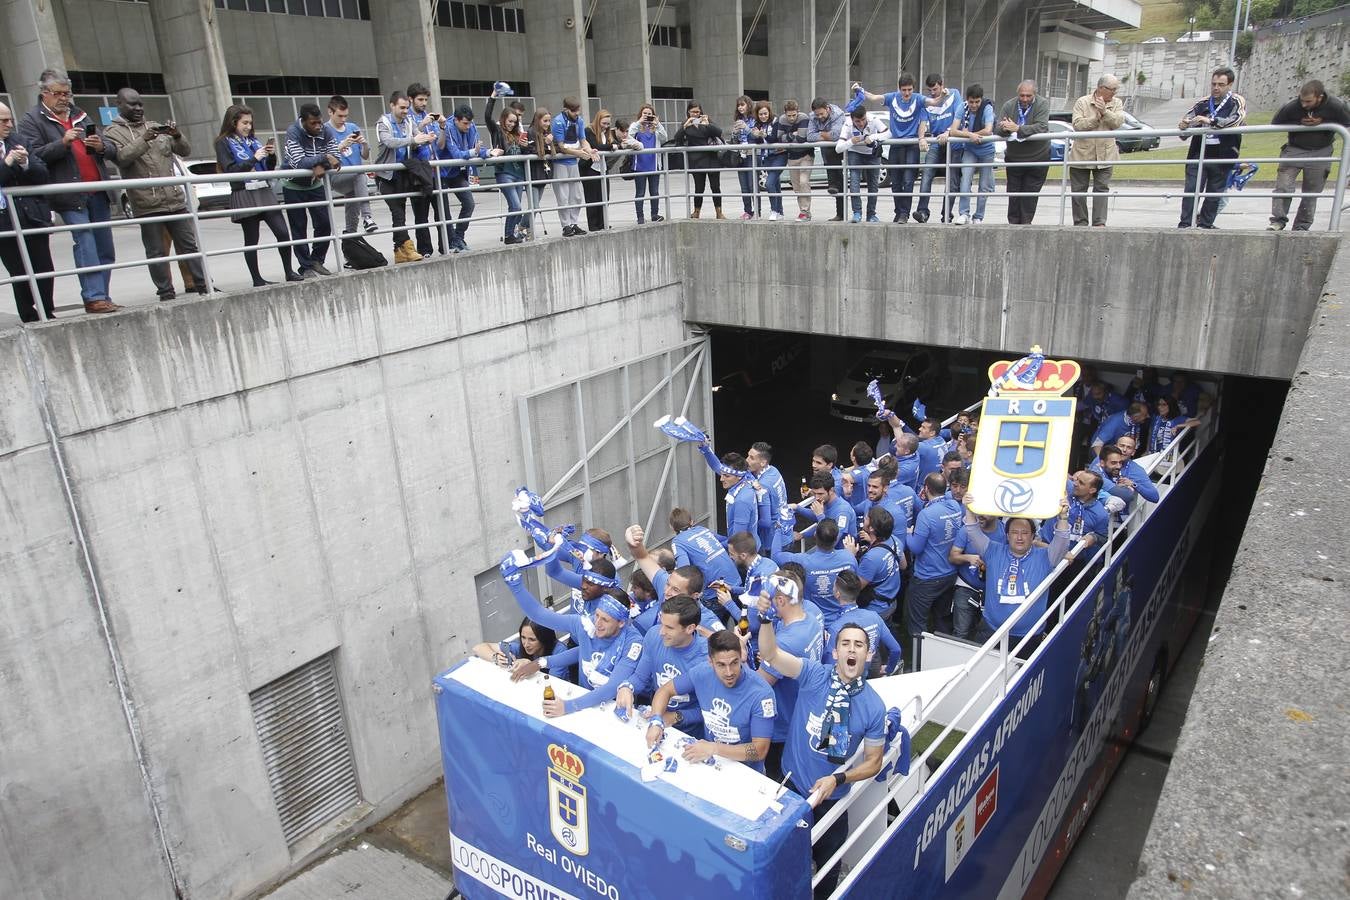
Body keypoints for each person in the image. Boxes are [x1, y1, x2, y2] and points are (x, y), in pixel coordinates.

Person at [755, 606, 886, 899]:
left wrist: (837, 779)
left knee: (828, 866)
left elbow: (874, 762)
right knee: (783, 859)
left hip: (831, 799)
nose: (852, 649)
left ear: (868, 655)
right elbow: (772, 655)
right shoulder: (813, 673)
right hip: (791, 788)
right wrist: (765, 619)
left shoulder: (874, 706)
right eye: (846, 643)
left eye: (859, 645)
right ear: (836, 652)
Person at [18, 69, 118, 313]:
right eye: (58, 94)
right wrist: (63, 142)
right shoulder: (32, 120)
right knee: (85, 242)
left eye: (67, 93)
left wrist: (101, 145)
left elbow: (112, 149)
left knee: (105, 247)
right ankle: (93, 297)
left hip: (97, 189)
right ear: (44, 94)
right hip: (69, 194)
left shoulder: (80, 114)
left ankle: (102, 295)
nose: (64, 98)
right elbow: (35, 156)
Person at [499, 551, 644, 713]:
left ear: (621, 623)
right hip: (584, 701)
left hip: (614, 708)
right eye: (597, 615)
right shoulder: (586, 623)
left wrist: (568, 706)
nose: (598, 624)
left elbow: (611, 688)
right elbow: (540, 615)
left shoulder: (634, 642)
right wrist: (515, 584)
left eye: (605, 620)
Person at [102, 89, 208, 301]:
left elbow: (185, 151)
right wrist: (144, 139)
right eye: (133, 105)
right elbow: (122, 158)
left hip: (174, 199)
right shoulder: (111, 132)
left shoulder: (154, 125)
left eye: (140, 104)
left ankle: (203, 285)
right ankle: (165, 292)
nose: (139, 109)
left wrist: (177, 135)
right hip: (146, 203)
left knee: (189, 245)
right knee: (156, 251)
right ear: (119, 105)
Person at [645, 629, 776, 772]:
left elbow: (759, 750)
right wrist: (656, 721)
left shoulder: (761, 694)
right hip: (709, 761)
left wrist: (714, 748)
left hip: (744, 771)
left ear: (741, 657)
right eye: (721, 665)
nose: (729, 672)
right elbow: (665, 690)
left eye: (734, 663)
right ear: (710, 662)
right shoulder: (702, 672)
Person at [955, 499, 1072, 648]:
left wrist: (1063, 517)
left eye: (1024, 533)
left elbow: (1062, 540)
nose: (1019, 537)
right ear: (1007, 535)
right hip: (991, 630)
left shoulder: (1046, 557)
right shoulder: (992, 551)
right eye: (1014, 532)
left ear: (1032, 536)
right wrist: (970, 509)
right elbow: (972, 530)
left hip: (1028, 636)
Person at [214, 105, 300, 286]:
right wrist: (254, 158)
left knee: (283, 233)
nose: (248, 127)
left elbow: (268, 168)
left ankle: (289, 271)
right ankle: (257, 279)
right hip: (244, 192)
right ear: (233, 122)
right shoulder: (223, 142)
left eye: (250, 123)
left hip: (263, 189)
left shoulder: (252, 141)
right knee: (252, 239)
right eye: (244, 123)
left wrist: (270, 155)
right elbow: (231, 170)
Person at [616, 595, 710, 734]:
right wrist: (627, 687)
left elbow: (710, 712)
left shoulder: (706, 658)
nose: (661, 632)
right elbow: (640, 677)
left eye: (669, 628)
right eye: (661, 624)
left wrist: (675, 717)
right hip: (654, 719)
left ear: (690, 628)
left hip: (690, 733)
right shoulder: (654, 635)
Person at [0, 104, 57, 322]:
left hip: (32, 216)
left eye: (9, 119)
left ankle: (46, 311)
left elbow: (42, 173)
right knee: (19, 272)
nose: (9, 124)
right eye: (3, 121)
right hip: (4, 222)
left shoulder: (20, 140)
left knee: (44, 267)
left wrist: (25, 163)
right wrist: (7, 163)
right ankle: (28, 315)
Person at [1269, 80, 1350, 231]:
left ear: (1319, 97)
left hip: (1321, 150)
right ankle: (1278, 221)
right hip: (1295, 148)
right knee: (1283, 186)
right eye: (1302, 100)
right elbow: (1276, 121)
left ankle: (1302, 226)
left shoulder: (1336, 105)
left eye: (1308, 101)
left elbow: (1347, 122)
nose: (1304, 105)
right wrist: (1298, 121)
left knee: (1311, 192)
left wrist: (1325, 121)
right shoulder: (1293, 106)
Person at [1177, 67, 1246, 230]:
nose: (1216, 88)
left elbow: (1236, 120)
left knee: (1214, 194)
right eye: (1214, 84)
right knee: (1191, 190)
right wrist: (1184, 125)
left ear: (1230, 85)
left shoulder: (1236, 101)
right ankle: (1185, 224)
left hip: (1223, 155)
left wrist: (1211, 122)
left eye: (1221, 84)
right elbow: (1187, 121)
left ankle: (1205, 225)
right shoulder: (1202, 103)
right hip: (1198, 154)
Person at [281, 103, 344, 278]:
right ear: (303, 121)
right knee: (299, 227)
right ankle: (305, 266)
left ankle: (316, 260)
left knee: (325, 223)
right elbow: (299, 162)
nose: (317, 127)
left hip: (315, 184)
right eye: (312, 123)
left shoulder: (325, 131)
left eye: (319, 122)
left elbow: (336, 158)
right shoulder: (293, 132)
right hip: (293, 185)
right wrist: (324, 159)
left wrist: (321, 165)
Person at [374, 92, 437, 263]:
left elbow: (417, 137)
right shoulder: (383, 122)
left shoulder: (409, 121)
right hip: (385, 177)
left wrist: (426, 139)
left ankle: (399, 251)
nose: (405, 111)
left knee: (399, 214)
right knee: (397, 212)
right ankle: (408, 247)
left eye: (407, 108)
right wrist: (413, 139)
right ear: (392, 105)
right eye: (402, 108)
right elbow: (389, 142)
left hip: (402, 175)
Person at [854, 73, 923, 223]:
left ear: (914, 89)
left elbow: (934, 102)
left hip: (911, 145)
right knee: (896, 181)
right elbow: (873, 97)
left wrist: (945, 94)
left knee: (908, 180)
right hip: (896, 144)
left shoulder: (919, 99)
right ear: (899, 89)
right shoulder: (893, 97)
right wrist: (860, 90)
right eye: (904, 90)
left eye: (909, 89)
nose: (906, 93)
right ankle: (898, 212)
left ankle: (905, 213)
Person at [904, 472, 963, 643]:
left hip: (927, 577)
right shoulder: (954, 505)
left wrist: (908, 534)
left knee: (917, 623)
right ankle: (942, 653)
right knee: (943, 618)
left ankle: (918, 660)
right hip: (950, 573)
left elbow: (916, 547)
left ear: (926, 488)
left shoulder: (927, 514)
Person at [771, 518, 858, 627]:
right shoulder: (849, 557)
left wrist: (779, 528)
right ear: (836, 539)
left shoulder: (804, 561)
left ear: (815, 535)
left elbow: (775, 556)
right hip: (843, 620)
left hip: (815, 621)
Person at [1069, 75, 1125, 227]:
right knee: (1078, 191)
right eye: (1111, 89)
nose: (1114, 93)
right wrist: (1096, 118)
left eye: (1115, 89)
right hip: (1082, 154)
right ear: (1101, 88)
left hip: (1106, 155)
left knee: (1102, 189)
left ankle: (1099, 223)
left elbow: (1118, 122)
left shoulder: (1117, 102)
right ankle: (1080, 223)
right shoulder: (1082, 102)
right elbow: (1077, 125)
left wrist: (1105, 112)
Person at [439, 104, 495, 253]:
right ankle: (449, 243)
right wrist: (473, 152)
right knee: (445, 212)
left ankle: (458, 238)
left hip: (458, 173)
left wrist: (489, 152)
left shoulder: (472, 126)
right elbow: (456, 154)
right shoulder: (449, 128)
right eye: (465, 123)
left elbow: (477, 149)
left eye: (470, 123)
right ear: (456, 120)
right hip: (443, 173)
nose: (468, 126)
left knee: (469, 203)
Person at [824, 570, 902, 675]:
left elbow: (830, 665)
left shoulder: (836, 628)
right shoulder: (874, 616)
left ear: (837, 594)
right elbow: (896, 649)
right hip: (873, 669)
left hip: (850, 676)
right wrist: (889, 669)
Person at [997, 80, 1051, 225]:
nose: (1025, 99)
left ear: (1035, 94)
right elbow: (997, 129)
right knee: (1013, 195)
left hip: (1038, 157)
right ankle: (1013, 225)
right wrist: (1004, 127)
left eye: (1028, 96)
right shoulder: (1009, 105)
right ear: (1017, 94)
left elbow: (1042, 127)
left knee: (1030, 196)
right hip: (1015, 158)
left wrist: (1018, 128)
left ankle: (1026, 225)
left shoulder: (1042, 104)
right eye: (1022, 96)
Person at [915, 74, 963, 224]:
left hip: (953, 141)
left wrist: (948, 132)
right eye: (930, 90)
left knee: (953, 180)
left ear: (942, 85)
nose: (933, 93)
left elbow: (959, 117)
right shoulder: (928, 102)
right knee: (927, 173)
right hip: (936, 141)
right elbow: (922, 122)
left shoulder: (954, 94)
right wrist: (921, 137)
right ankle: (922, 212)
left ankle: (946, 214)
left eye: (935, 89)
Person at [845, 505, 906, 624]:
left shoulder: (871, 558)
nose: (864, 519)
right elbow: (903, 565)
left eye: (867, 518)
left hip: (876, 609)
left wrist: (850, 556)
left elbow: (855, 588)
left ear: (872, 528)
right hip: (891, 601)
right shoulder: (895, 540)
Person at [324, 95, 375, 236]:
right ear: (330, 112)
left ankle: (350, 239)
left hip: (355, 177)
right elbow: (323, 159)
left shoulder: (352, 127)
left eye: (346, 116)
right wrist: (341, 146)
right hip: (337, 176)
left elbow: (365, 156)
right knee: (359, 175)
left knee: (352, 208)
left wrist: (364, 144)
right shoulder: (325, 130)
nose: (343, 119)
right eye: (340, 116)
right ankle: (367, 217)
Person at [947, 83, 996, 225]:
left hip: (986, 150)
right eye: (971, 102)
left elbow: (988, 130)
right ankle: (964, 213)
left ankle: (979, 216)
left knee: (984, 184)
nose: (974, 105)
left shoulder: (987, 108)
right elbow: (953, 130)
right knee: (965, 180)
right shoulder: (962, 107)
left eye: (977, 102)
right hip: (970, 149)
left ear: (981, 100)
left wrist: (971, 135)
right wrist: (970, 135)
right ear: (967, 100)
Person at [485, 91, 529, 244]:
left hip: (518, 173)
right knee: (516, 207)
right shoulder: (497, 131)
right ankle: (509, 236)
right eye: (509, 121)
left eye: (514, 122)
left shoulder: (517, 135)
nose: (511, 124)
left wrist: (525, 147)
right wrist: (493, 96)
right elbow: (487, 116)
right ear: (503, 119)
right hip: (505, 172)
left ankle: (512, 234)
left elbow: (522, 153)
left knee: (517, 208)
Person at [472, 617, 573, 683]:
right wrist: (496, 658)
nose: (526, 644)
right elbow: (478, 648)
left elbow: (552, 683)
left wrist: (531, 665)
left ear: (544, 638)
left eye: (532, 640)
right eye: (523, 637)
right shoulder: (519, 647)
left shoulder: (560, 651)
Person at [551, 97, 598, 237]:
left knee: (576, 195)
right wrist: (579, 153)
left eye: (578, 111)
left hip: (573, 163)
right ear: (566, 109)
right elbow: (561, 147)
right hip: (561, 163)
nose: (577, 114)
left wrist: (590, 151)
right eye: (574, 111)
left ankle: (574, 223)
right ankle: (566, 226)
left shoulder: (579, 121)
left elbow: (583, 140)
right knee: (563, 196)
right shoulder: (558, 121)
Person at [405, 83, 443, 257]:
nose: (423, 103)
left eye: (425, 100)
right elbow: (408, 144)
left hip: (436, 170)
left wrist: (442, 127)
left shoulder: (431, 119)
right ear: (411, 99)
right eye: (420, 99)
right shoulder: (408, 119)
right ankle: (425, 249)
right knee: (421, 214)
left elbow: (440, 144)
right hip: (419, 172)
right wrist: (421, 126)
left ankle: (446, 245)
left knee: (443, 212)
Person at [672, 101, 724, 219]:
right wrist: (686, 125)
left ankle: (719, 212)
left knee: (715, 187)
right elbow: (677, 139)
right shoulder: (686, 123)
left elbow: (718, 132)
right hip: (696, 160)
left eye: (697, 112)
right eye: (693, 112)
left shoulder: (706, 121)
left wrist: (706, 124)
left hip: (712, 158)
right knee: (698, 188)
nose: (695, 114)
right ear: (688, 112)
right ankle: (696, 211)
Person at [836, 107, 886, 223]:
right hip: (855, 153)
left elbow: (888, 133)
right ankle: (857, 212)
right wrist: (851, 141)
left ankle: (871, 214)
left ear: (866, 116)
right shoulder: (847, 124)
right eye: (857, 121)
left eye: (863, 119)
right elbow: (838, 148)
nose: (861, 123)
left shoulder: (873, 119)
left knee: (873, 184)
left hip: (872, 154)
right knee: (854, 182)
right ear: (852, 120)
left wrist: (873, 137)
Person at [792, 471, 859, 549]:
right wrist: (797, 508)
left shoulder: (843, 512)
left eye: (820, 494)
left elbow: (832, 541)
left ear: (831, 490)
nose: (816, 497)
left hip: (839, 554)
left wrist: (820, 516)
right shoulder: (826, 501)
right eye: (815, 493)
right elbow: (817, 516)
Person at [807, 97, 847, 222]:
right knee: (838, 179)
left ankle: (833, 184)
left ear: (828, 109)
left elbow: (836, 136)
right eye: (817, 114)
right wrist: (826, 135)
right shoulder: (813, 117)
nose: (819, 117)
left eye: (822, 114)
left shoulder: (838, 114)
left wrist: (821, 133)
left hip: (844, 149)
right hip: (830, 154)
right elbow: (809, 136)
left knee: (843, 181)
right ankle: (840, 213)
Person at [581, 109, 619, 232]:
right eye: (604, 123)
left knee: (604, 196)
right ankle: (593, 225)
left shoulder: (607, 133)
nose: (606, 126)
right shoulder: (588, 131)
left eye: (608, 124)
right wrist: (611, 147)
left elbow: (614, 143)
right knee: (592, 198)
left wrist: (614, 145)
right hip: (590, 168)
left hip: (603, 168)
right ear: (598, 121)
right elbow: (594, 146)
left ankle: (603, 223)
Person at [627, 102, 666, 224]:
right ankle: (640, 217)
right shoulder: (636, 126)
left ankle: (654, 214)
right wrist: (640, 122)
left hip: (654, 165)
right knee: (640, 192)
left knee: (654, 191)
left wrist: (658, 124)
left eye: (649, 114)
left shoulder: (656, 128)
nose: (647, 116)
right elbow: (629, 135)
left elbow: (664, 137)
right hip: (640, 165)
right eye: (645, 113)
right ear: (640, 114)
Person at [775, 100, 814, 221]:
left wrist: (788, 136)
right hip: (792, 157)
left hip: (806, 155)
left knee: (804, 182)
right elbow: (779, 139)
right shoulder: (782, 119)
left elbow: (802, 138)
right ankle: (804, 212)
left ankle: (805, 212)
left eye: (794, 115)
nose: (791, 118)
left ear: (798, 112)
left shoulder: (803, 118)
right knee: (797, 187)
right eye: (789, 115)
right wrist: (793, 134)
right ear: (785, 113)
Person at [747, 441, 788, 551]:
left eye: (751, 458)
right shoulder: (774, 470)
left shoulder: (762, 485)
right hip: (785, 531)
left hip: (771, 541)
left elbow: (765, 522)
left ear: (763, 462)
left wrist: (748, 526)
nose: (746, 460)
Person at [749, 101, 785, 219]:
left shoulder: (776, 121)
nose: (763, 116)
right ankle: (780, 212)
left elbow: (774, 138)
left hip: (779, 155)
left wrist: (764, 135)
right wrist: (756, 135)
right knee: (776, 184)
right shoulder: (757, 124)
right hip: (767, 157)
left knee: (769, 183)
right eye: (760, 114)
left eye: (765, 113)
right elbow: (756, 142)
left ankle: (774, 210)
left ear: (769, 112)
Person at [524, 107, 554, 239]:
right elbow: (530, 150)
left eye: (549, 121)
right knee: (534, 206)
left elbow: (549, 151)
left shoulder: (547, 133)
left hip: (542, 173)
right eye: (545, 121)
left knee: (535, 205)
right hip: (533, 173)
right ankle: (525, 227)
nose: (547, 124)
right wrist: (545, 142)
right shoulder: (531, 131)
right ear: (538, 120)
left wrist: (548, 144)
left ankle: (523, 227)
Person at [729, 95, 757, 219]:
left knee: (752, 185)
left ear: (748, 105)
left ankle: (758, 211)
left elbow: (755, 136)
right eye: (738, 105)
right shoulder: (737, 120)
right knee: (744, 186)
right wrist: (734, 133)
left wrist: (745, 128)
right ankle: (747, 211)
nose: (740, 107)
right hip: (740, 155)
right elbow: (734, 140)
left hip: (751, 154)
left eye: (742, 105)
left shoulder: (755, 119)